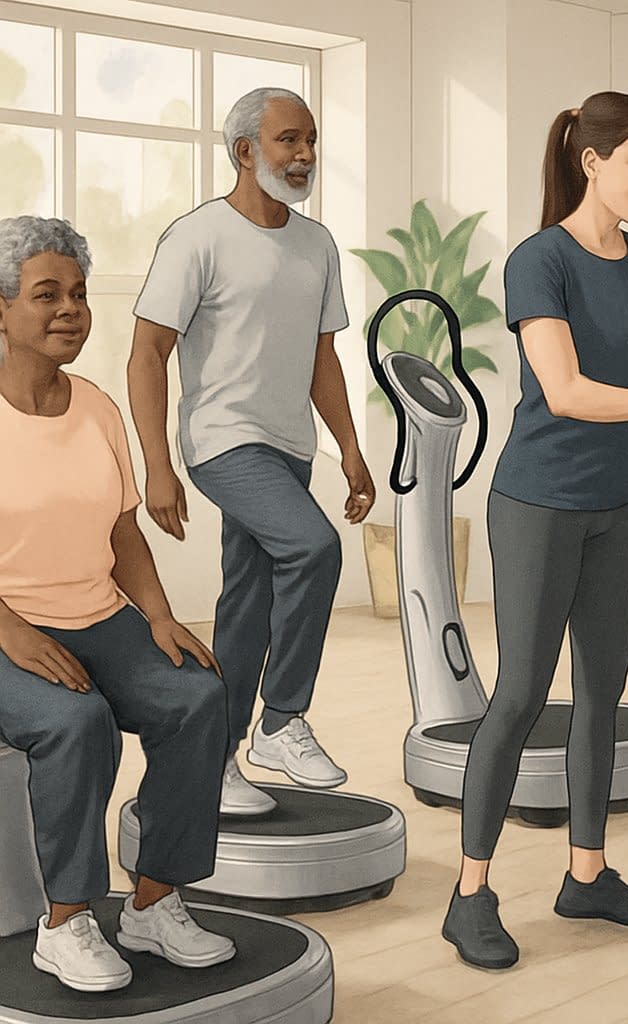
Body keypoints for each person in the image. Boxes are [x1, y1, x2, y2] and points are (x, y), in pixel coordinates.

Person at [442, 91, 628, 970]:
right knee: (522, 695)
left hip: (619, 506)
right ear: (593, 162)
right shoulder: (541, 261)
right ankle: (471, 894)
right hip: (538, 504)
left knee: (602, 696)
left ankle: (586, 873)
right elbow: (566, 391)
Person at [0, 216, 234, 992]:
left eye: (77, 293)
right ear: (1, 309)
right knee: (76, 721)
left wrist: (160, 618)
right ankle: (65, 924)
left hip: (97, 612)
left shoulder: (96, 407)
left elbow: (123, 528)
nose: (69, 309)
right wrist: (10, 630)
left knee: (198, 697)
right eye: (45, 295)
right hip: (5, 625)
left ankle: (153, 904)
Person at [128, 87, 374, 817]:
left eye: (311, 141)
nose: (303, 157)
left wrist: (349, 449)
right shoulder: (197, 237)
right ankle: (283, 717)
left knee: (246, 605)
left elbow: (322, 359)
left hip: (290, 446)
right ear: (245, 151)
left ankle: (218, 760)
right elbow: (147, 353)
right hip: (223, 442)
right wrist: (156, 465)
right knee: (314, 547)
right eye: (287, 142)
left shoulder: (316, 243)